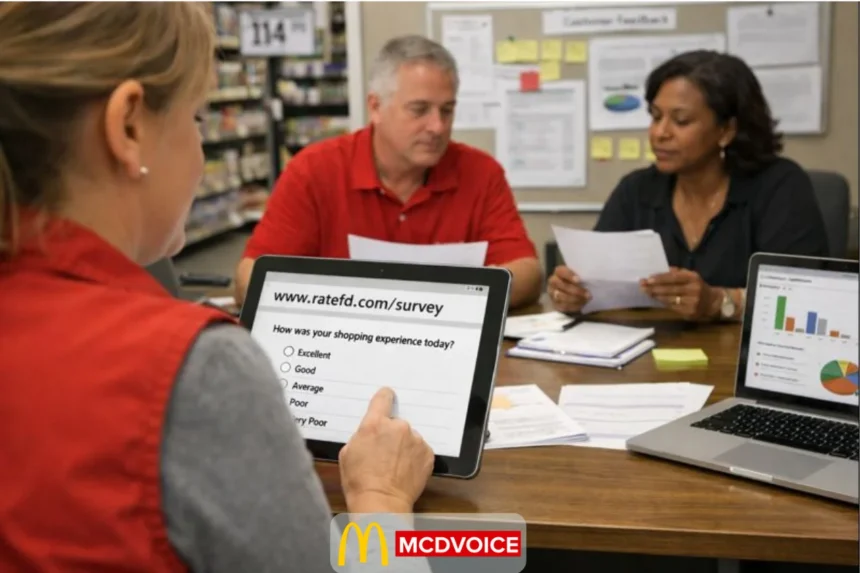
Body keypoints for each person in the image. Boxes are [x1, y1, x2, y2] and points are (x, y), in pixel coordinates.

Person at [0, 4, 433, 572]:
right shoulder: (191, 367)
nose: (202, 152)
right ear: (129, 125)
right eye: (197, 118)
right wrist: (381, 498)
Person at [234, 35, 543, 309]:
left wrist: (471, 291)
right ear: (375, 107)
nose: (437, 126)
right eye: (419, 110)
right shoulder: (314, 170)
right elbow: (250, 277)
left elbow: (527, 271)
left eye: (446, 110)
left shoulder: (481, 172)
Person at [548, 50, 829, 322]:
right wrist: (573, 294)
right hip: (647, 358)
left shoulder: (779, 186)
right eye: (656, 116)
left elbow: (801, 300)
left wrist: (718, 302)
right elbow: (595, 285)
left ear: (726, 130)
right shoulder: (636, 190)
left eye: (681, 121)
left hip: (743, 361)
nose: (660, 133)